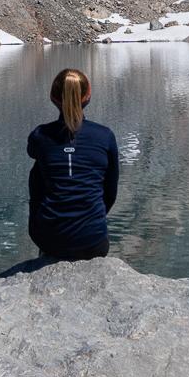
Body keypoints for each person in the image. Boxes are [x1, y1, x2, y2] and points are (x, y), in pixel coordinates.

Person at [27, 68, 119, 261]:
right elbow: (110, 192)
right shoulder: (105, 136)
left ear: (53, 97)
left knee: (38, 169)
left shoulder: (40, 136)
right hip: (94, 241)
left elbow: (32, 152)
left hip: (48, 240)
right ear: (88, 96)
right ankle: (84, 227)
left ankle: (53, 241)